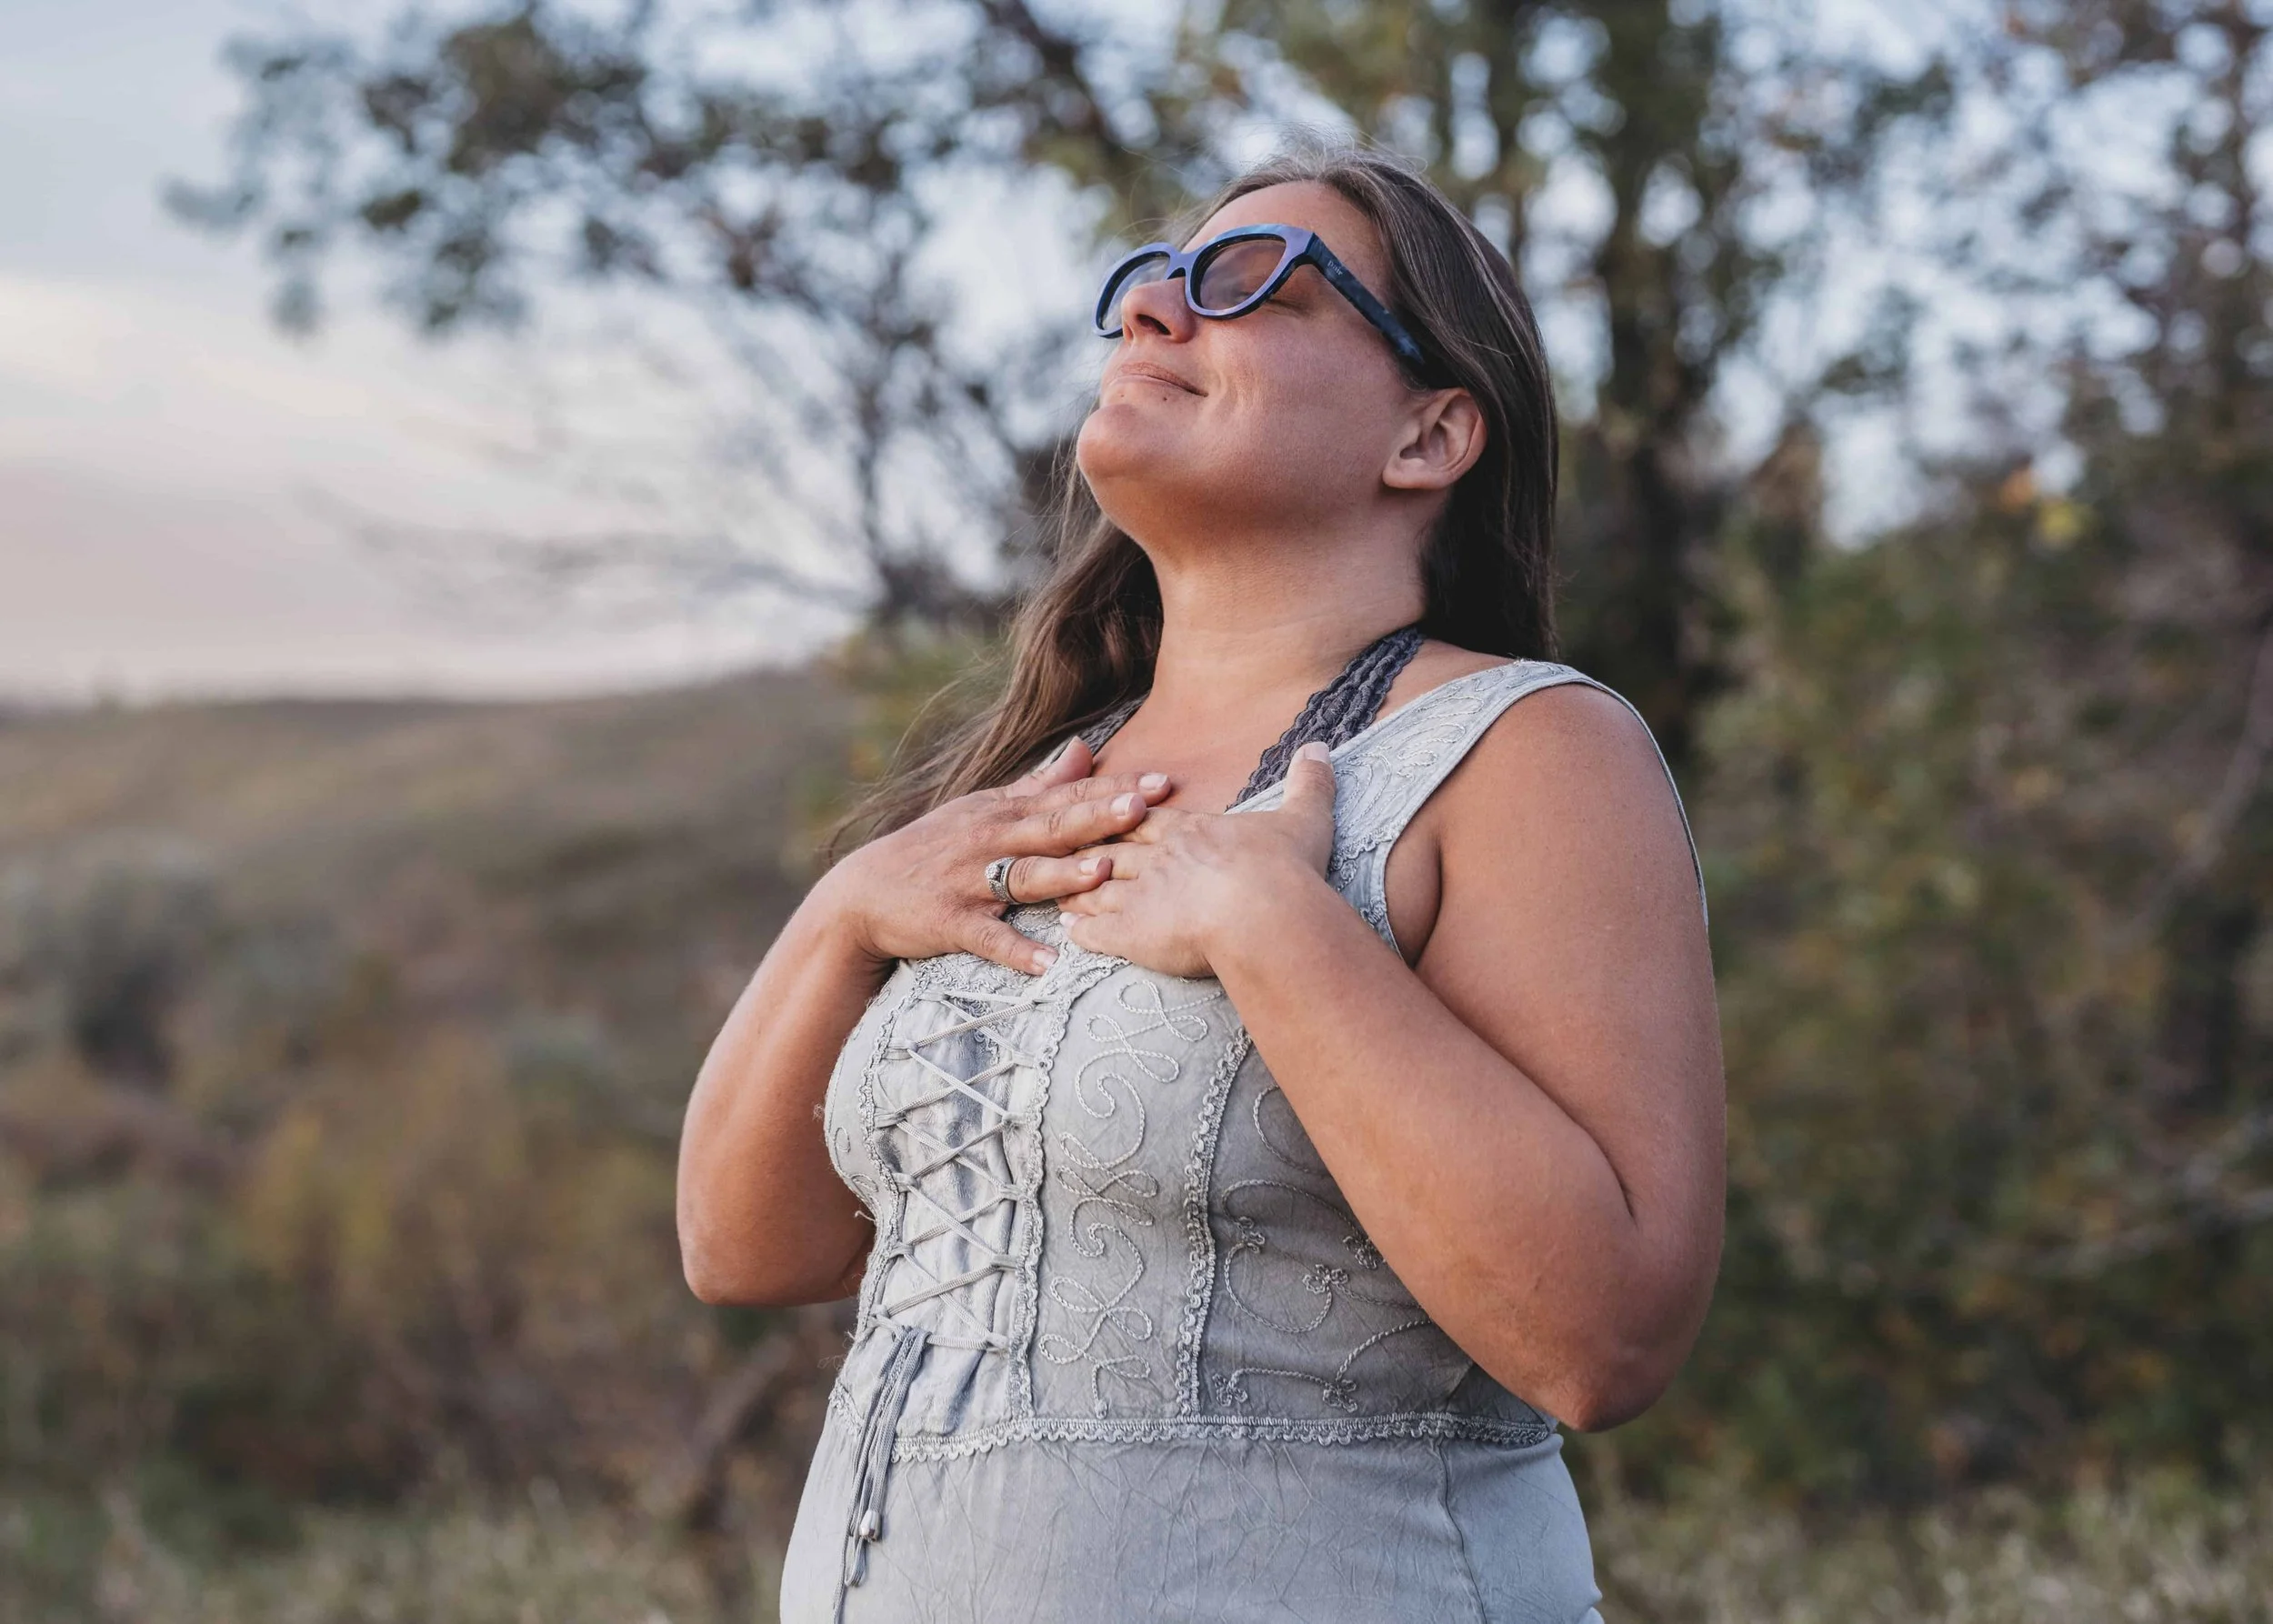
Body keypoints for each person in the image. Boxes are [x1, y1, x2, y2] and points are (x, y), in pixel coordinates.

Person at [677, 138, 1726, 1623]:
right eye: (1151, 284)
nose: (1154, 315)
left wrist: (1269, 924)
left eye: (1252, 282)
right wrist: (845, 910)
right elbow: (746, 1247)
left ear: (1426, 436)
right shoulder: (1042, 785)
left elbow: (1602, 1336)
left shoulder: (1529, 750)